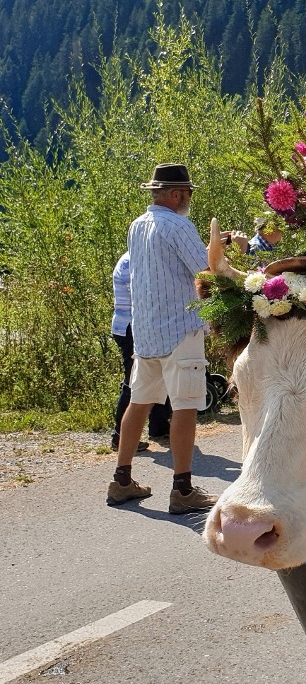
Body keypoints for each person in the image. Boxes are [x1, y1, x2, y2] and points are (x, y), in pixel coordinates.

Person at [106, 163, 218, 515]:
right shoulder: (179, 224)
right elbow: (206, 270)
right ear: (176, 194)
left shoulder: (137, 225)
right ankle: (182, 488)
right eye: (186, 193)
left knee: (139, 402)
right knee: (185, 406)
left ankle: (121, 480)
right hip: (181, 327)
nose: (188, 199)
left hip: (147, 330)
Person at [111, 252, 171, 453]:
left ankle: (159, 427)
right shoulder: (132, 261)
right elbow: (144, 296)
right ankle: (119, 437)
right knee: (133, 381)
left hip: (138, 326)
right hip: (130, 328)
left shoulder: (138, 258)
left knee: (159, 374)